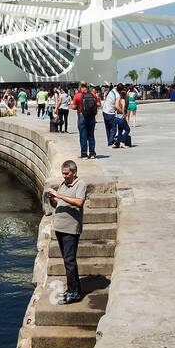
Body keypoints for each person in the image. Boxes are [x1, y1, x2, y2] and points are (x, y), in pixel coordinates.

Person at [44, 160, 88, 304]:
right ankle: (72, 289)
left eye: (66, 173)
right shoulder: (64, 184)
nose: (64, 176)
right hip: (60, 227)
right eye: (63, 173)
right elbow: (57, 204)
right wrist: (52, 199)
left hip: (70, 228)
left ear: (74, 172)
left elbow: (79, 202)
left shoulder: (80, 184)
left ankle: (74, 293)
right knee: (66, 260)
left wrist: (59, 195)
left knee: (70, 261)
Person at [74, 83, 100, 159]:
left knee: (83, 136)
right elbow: (98, 104)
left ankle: (84, 154)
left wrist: (79, 107)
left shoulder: (78, 95)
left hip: (82, 116)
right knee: (91, 135)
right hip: (91, 117)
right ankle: (92, 153)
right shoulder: (93, 95)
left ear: (80, 87)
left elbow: (73, 106)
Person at [101, 84, 121, 148]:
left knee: (108, 128)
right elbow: (117, 106)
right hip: (110, 113)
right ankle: (110, 142)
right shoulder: (118, 95)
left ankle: (109, 141)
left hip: (104, 111)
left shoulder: (112, 91)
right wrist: (123, 112)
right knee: (113, 128)